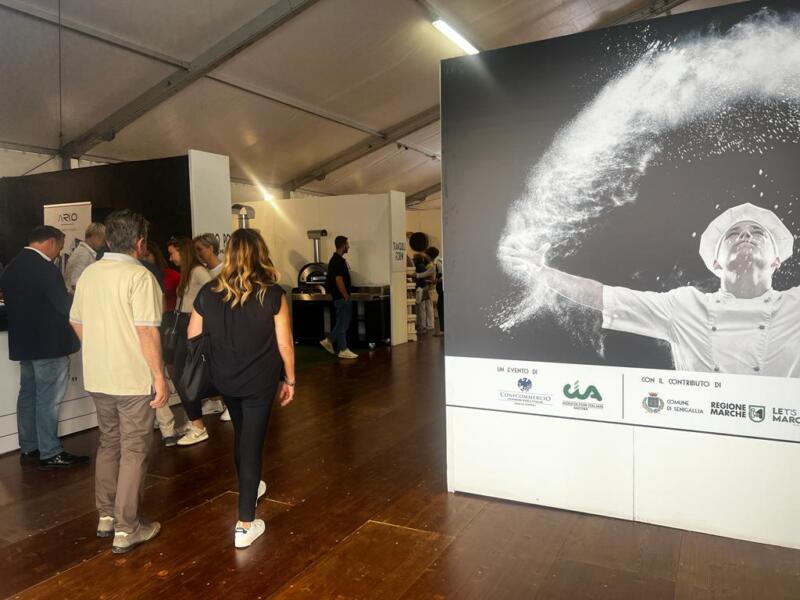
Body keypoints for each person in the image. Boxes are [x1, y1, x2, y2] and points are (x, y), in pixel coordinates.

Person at [501, 202, 800, 376]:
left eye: (757, 232)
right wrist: (543, 272)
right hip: (702, 430)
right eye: (734, 233)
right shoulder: (685, 305)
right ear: (716, 263)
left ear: (777, 260)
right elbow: (602, 295)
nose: (745, 235)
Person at [187, 228, 295, 548]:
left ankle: (252, 486)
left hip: (225, 378)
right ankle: (245, 523)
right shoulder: (273, 293)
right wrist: (290, 379)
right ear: (261, 253)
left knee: (242, 433)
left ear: (230, 254)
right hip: (260, 380)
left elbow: (193, 336)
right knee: (251, 442)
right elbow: (285, 343)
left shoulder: (208, 291)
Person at [69, 210, 168, 553]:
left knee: (109, 443)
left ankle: (106, 516)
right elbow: (146, 332)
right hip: (132, 379)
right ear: (140, 243)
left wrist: (99, 348)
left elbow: (76, 321)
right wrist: (159, 376)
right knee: (134, 449)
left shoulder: (89, 274)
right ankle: (127, 529)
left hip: (99, 376)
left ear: (109, 239)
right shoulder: (139, 277)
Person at [0, 226, 89, 469]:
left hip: (25, 344)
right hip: (49, 345)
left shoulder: (11, 268)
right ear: (51, 242)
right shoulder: (46, 269)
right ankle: (50, 452)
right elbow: (63, 306)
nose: (59, 253)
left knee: (28, 396)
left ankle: (30, 447)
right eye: (60, 247)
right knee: (48, 400)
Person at [166, 237, 215, 445]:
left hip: (192, 329)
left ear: (182, 252)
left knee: (183, 377)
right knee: (180, 376)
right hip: (183, 327)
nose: (170, 258)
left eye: (172, 253)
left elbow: (215, 294)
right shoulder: (189, 273)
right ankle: (196, 422)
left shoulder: (198, 272)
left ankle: (198, 426)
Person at [141, 241, 180, 447]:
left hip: (151, 329)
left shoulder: (150, 272)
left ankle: (166, 428)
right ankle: (166, 428)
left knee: (155, 376)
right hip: (148, 329)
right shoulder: (147, 272)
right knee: (154, 377)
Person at [320, 235, 358, 359]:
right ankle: (341, 347)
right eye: (347, 244)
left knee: (343, 322)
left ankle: (336, 344)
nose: (349, 247)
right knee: (342, 323)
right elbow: (338, 280)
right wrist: (345, 295)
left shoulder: (338, 260)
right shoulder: (337, 261)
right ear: (342, 245)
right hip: (341, 297)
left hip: (340, 297)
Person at [65, 222, 106, 293]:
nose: (104, 244)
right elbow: (75, 284)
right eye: (102, 240)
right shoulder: (83, 255)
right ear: (95, 237)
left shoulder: (84, 253)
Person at [427, 247, 444, 336]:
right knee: (440, 307)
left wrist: (436, 281)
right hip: (441, 288)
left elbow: (442, 275)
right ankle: (443, 329)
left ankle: (442, 330)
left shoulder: (437, 263)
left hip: (442, 288)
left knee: (440, 307)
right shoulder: (439, 261)